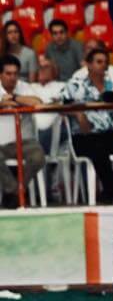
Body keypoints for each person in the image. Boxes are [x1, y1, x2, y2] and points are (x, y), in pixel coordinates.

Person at [63, 48, 113, 204]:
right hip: (85, 135)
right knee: (99, 151)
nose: (103, 66)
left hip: (111, 133)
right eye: (99, 62)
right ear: (89, 65)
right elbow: (62, 107)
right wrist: (79, 114)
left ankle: (110, 192)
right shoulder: (75, 85)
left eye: (106, 62)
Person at [0, 55, 45, 208]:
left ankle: (14, 193)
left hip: (24, 142)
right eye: (8, 73)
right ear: (0, 74)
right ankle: (15, 191)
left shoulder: (24, 87)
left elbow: (38, 103)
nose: (13, 77)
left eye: (15, 73)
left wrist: (14, 97)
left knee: (38, 157)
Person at [32, 56, 67, 155]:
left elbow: (64, 105)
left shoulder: (62, 86)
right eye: (40, 67)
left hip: (54, 128)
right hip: (31, 129)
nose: (41, 70)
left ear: (55, 71)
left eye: (46, 67)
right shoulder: (30, 87)